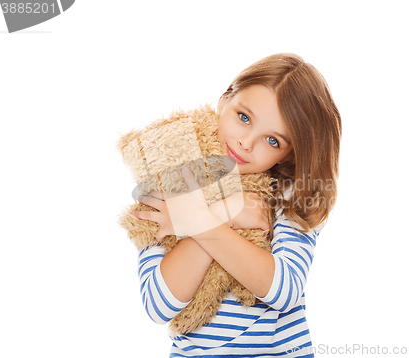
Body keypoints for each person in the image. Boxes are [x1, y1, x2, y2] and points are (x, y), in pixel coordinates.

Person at [132, 53, 342, 357]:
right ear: (223, 102)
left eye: (273, 140)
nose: (246, 142)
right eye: (243, 118)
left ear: (288, 155)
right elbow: (157, 305)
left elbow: (284, 290)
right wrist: (224, 211)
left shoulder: (290, 196)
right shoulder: (165, 185)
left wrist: (191, 220)